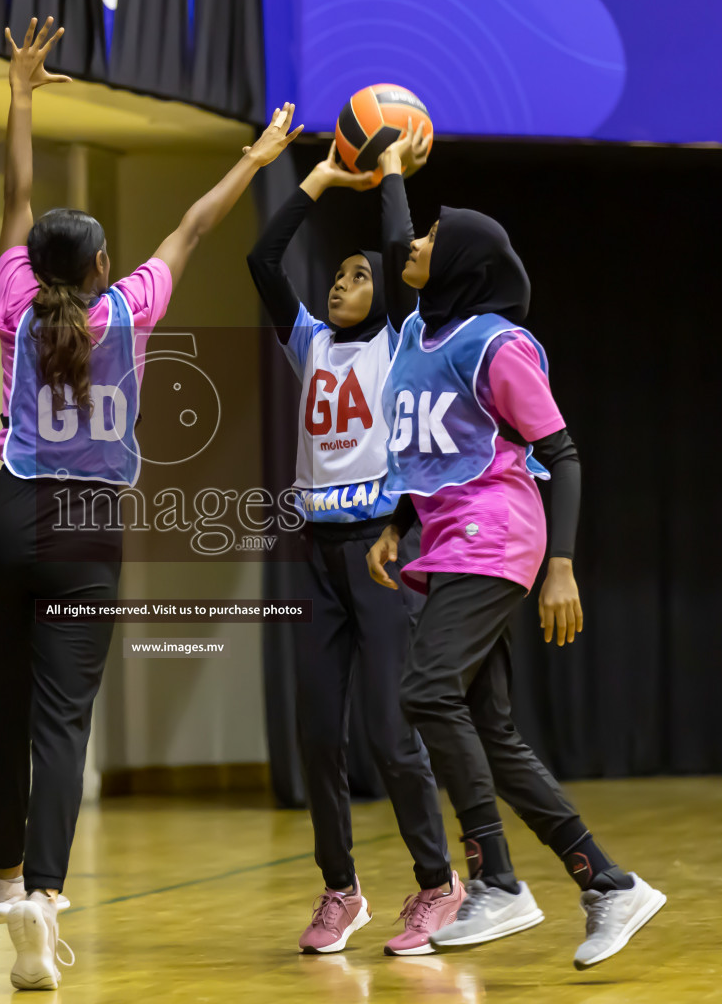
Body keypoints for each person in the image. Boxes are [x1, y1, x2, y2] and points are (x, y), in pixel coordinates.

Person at [0, 17, 302, 991]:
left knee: (4, 698)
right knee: (64, 720)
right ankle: (45, 897)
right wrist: (255, 155)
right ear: (104, 269)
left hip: (3, 510)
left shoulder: (12, 305)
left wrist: (23, 93)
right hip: (86, 527)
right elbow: (195, 225)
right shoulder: (132, 308)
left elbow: (17, 194)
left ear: (36, 267)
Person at [366, 154, 666, 969]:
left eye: (433, 236)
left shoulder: (498, 347)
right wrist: (389, 170)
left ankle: (496, 879)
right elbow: (396, 247)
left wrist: (561, 566)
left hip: (498, 533)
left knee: (427, 691)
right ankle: (608, 882)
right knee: (489, 728)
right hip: (446, 536)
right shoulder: (419, 336)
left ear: (462, 262)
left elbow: (561, 454)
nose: (414, 242)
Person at [246, 132, 467, 955]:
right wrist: (314, 182)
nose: (342, 284)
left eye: (357, 276)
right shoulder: (308, 342)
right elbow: (263, 262)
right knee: (317, 735)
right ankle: (341, 891)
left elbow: (394, 246)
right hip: (315, 556)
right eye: (336, 277)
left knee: (387, 729)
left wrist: (391, 175)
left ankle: (439, 882)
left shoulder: (397, 340)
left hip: (377, 552)